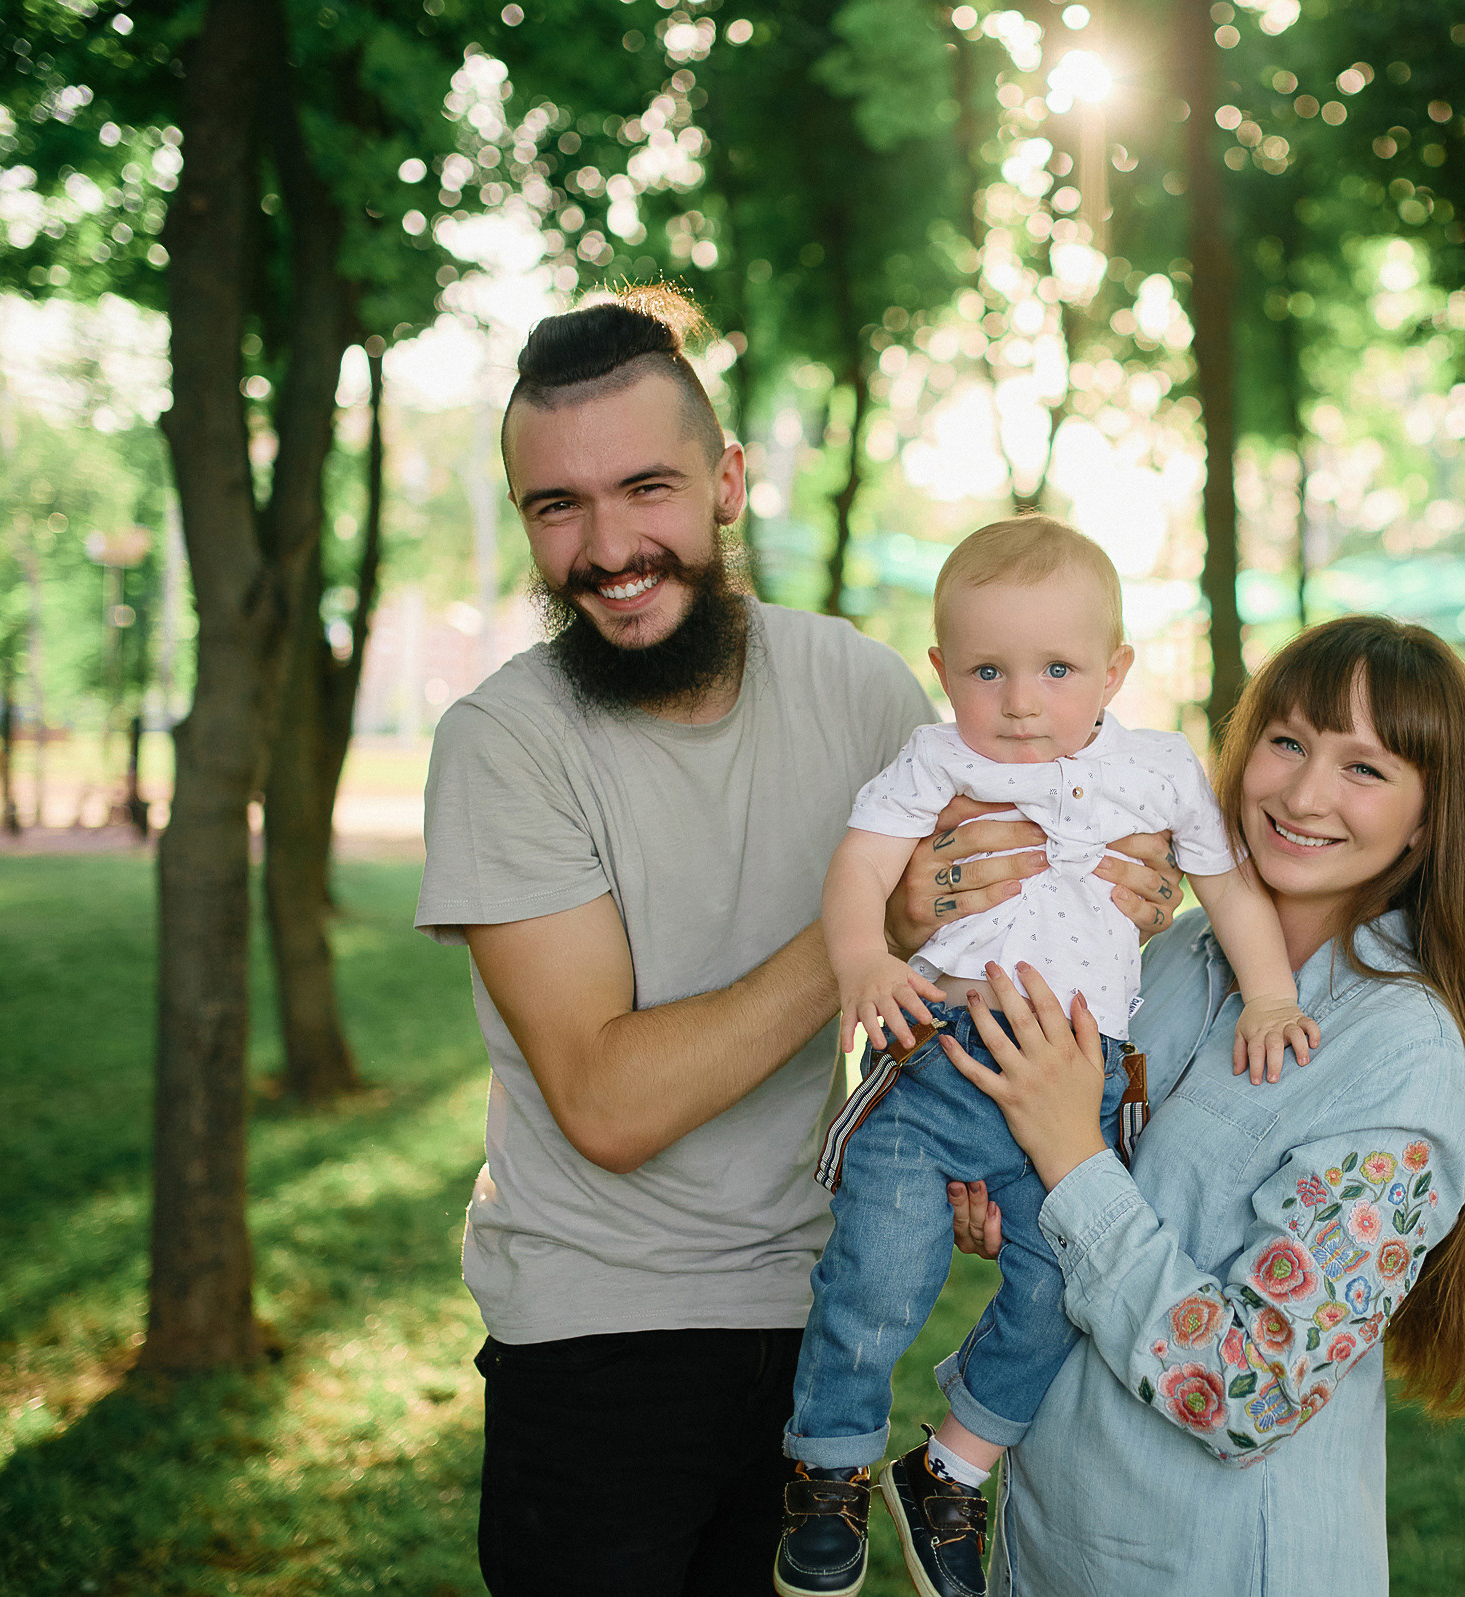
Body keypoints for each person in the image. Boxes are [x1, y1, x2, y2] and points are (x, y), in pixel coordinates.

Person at [413, 286, 1185, 1597]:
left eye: (645, 488)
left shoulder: (864, 688)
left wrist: (1117, 887)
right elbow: (605, 1102)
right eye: (559, 507)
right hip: (596, 1332)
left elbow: (988, 926)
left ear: (726, 481)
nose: (609, 546)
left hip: (818, 1299)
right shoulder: (502, 745)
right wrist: (873, 930)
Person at [942, 614, 1465, 1595]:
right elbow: (1103, 1197)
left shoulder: (1405, 1058)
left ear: (1430, 817)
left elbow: (1250, 1385)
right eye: (1289, 740)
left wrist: (1070, 1162)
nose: (1305, 793)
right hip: (1045, 1546)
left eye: (1366, 768)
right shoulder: (1175, 955)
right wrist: (1015, 1189)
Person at [777, 516, 1319, 1597]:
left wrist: (1269, 992)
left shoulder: (1160, 771)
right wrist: (860, 962)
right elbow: (858, 868)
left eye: (1058, 669)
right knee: (877, 1273)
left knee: (1057, 1292)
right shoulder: (935, 757)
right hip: (944, 1061)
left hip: (1080, 1075)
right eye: (988, 669)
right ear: (943, 671)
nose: (1022, 700)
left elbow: (1228, 888)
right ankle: (827, 1466)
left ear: (1116, 669)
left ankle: (953, 1466)